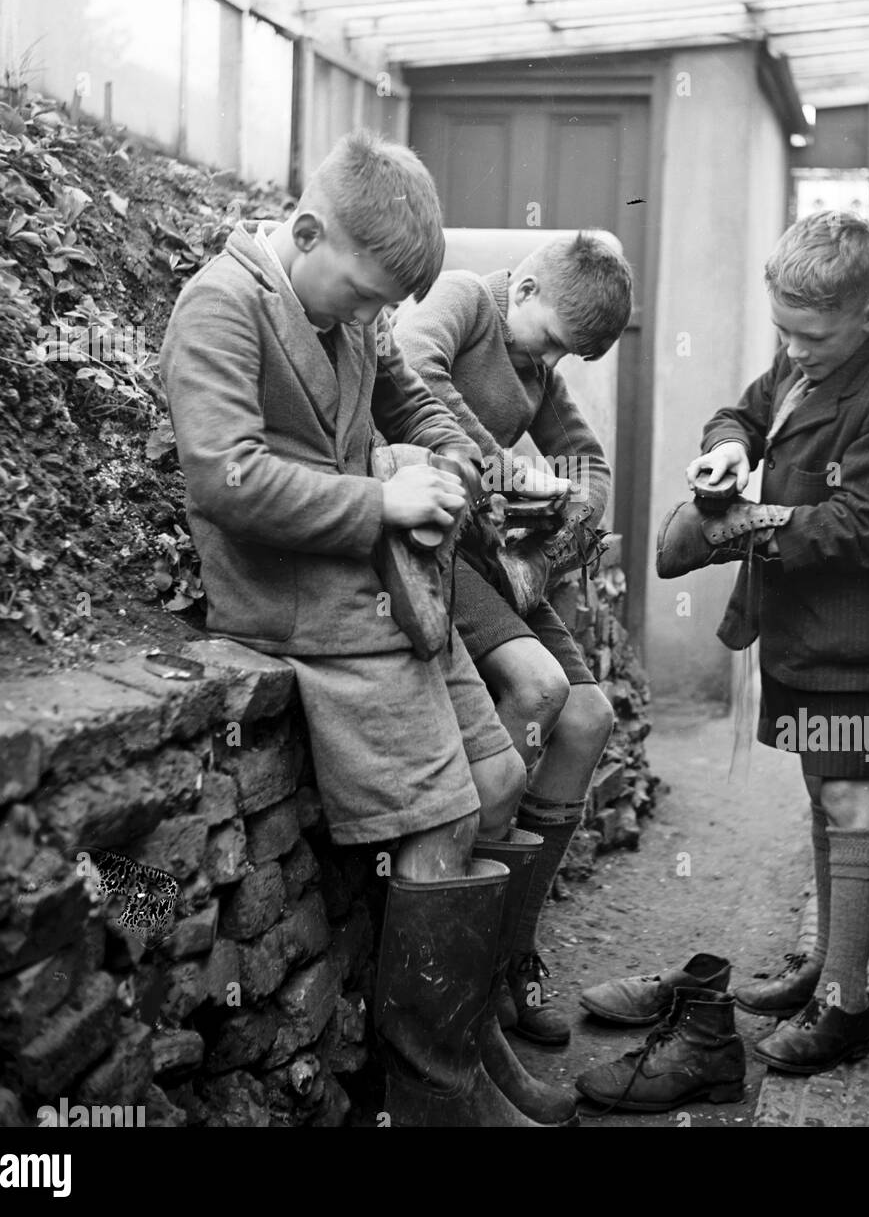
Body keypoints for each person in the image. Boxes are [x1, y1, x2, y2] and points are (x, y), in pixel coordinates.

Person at [158, 130, 575, 1127]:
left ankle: (470, 1043)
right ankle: (435, 1099)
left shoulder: (346, 301)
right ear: (304, 233)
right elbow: (224, 477)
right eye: (369, 295)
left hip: (383, 594)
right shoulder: (223, 305)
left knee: (504, 775)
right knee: (437, 826)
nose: (378, 318)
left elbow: (412, 396)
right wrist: (378, 500)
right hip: (301, 605)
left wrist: (442, 454)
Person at [576, 210, 869, 1109]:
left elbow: (864, 526)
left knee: (849, 798)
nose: (791, 348)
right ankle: (823, 963)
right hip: (801, 635)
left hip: (857, 644)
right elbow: (741, 408)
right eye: (781, 328)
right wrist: (728, 450)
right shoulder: (804, 366)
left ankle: (847, 1006)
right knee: (822, 790)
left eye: (809, 334)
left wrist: (744, 525)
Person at [391, 230, 632, 1045]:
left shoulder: (537, 363)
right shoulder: (462, 297)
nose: (552, 364)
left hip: (502, 560)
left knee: (589, 719)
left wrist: (570, 516)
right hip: (440, 543)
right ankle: (472, 965)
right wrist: (503, 469)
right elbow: (409, 367)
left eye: (569, 356)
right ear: (524, 289)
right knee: (539, 689)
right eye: (555, 341)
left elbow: (586, 459)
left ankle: (513, 952)